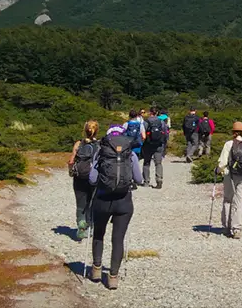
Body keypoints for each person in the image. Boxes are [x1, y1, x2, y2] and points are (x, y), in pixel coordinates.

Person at [87, 125, 143, 290]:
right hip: (124, 202)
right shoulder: (130, 154)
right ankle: (113, 277)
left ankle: (96, 270)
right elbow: (139, 179)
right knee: (118, 239)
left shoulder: (101, 152)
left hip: (102, 200)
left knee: (99, 234)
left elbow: (92, 179)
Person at [68, 120, 100, 241]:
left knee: (80, 203)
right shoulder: (99, 145)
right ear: (96, 131)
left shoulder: (78, 144)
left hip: (79, 177)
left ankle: (81, 226)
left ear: (85, 130)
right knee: (92, 202)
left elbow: (71, 161)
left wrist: (71, 171)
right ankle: (90, 226)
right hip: (94, 178)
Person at [141, 107, 170, 188]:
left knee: (146, 163)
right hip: (159, 144)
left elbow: (142, 133)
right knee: (158, 163)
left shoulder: (146, 122)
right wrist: (164, 143)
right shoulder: (161, 121)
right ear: (157, 113)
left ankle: (146, 182)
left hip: (148, 144)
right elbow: (165, 133)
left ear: (150, 112)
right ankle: (159, 179)